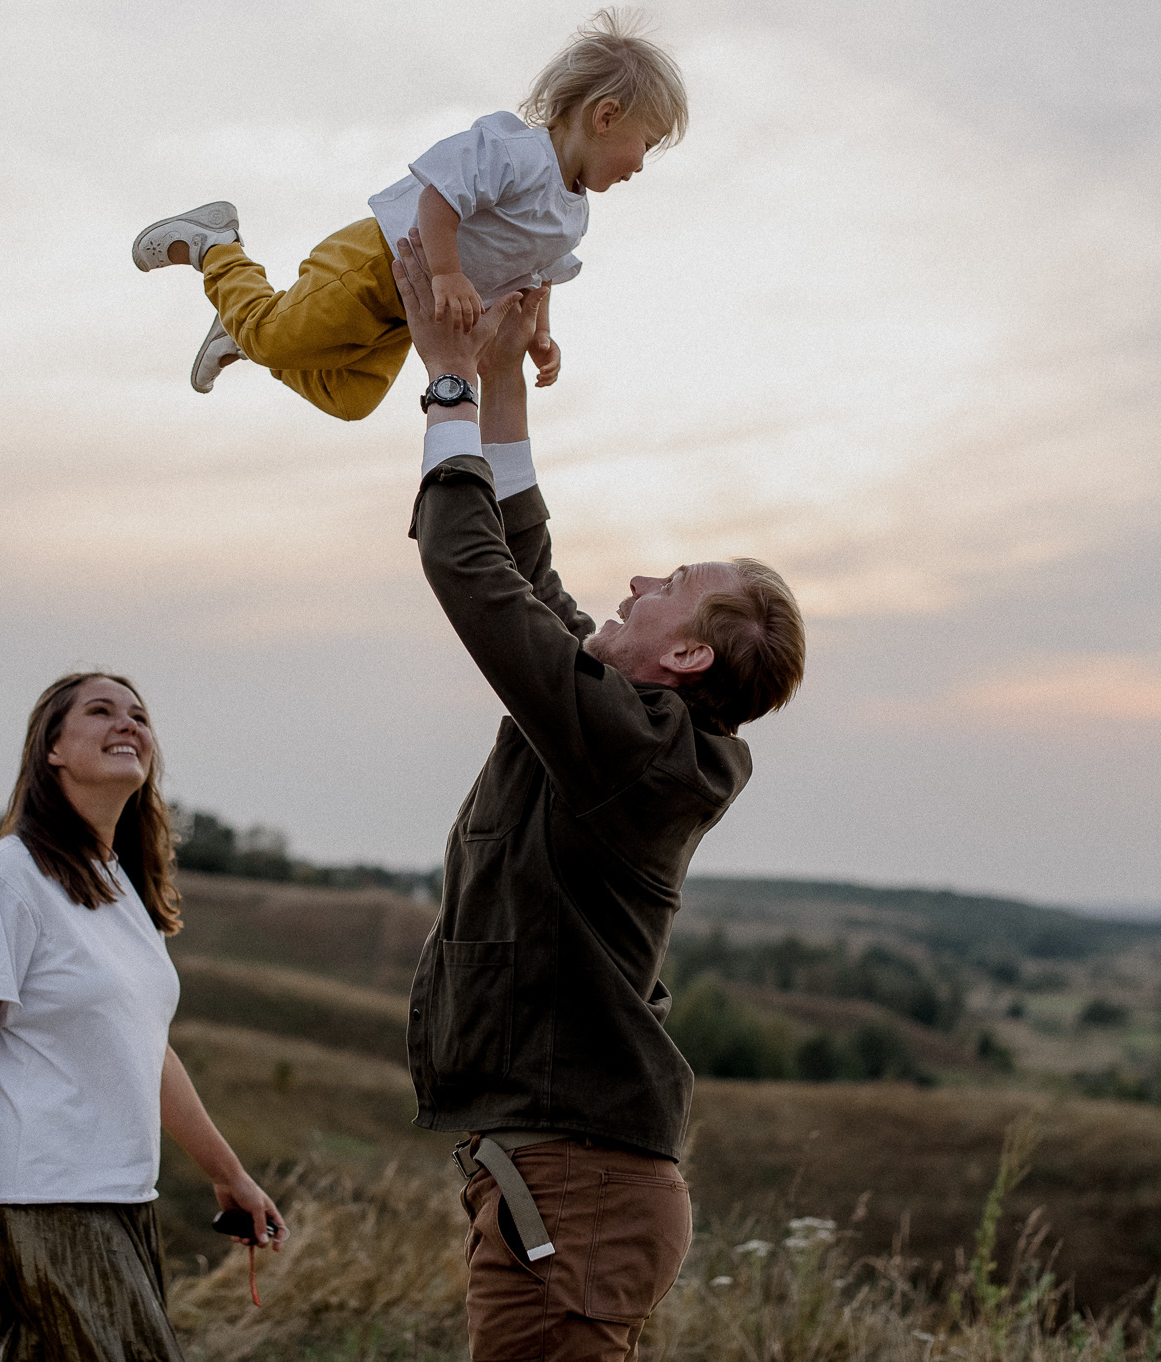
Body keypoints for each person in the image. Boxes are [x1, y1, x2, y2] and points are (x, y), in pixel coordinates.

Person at [388, 234, 805, 1361]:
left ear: (686, 663)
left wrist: (450, 382)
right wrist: (512, 375)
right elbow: (526, 571)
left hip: (575, 1189)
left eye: (670, 589)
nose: (637, 582)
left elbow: (474, 577)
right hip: (562, 1177)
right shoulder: (620, 726)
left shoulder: (636, 750)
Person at [0, 672, 286, 1361]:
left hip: (117, 1202)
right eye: (101, 711)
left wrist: (228, 1173)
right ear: (50, 749)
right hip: (29, 1208)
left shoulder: (117, 885)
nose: (128, 724)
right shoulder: (6, 879)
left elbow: (147, 1051)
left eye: (139, 716)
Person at [128, 9, 688, 421]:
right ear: (607, 116)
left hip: (410, 314)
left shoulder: (574, 217)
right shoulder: (515, 152)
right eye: (649, 141)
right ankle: (216, 245)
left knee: (351, 401)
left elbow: (535, 278)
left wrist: (540, 335)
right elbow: (438, 198)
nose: (643, 162)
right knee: (275, 336)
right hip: (377, 266)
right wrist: (447, 274)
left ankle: (246, 328)